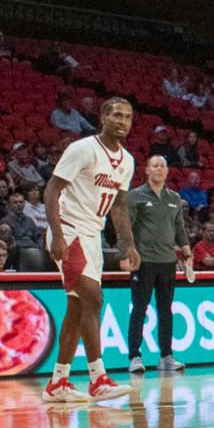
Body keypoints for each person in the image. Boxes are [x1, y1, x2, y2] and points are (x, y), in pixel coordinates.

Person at [42, 98, 140, 403]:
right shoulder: (83, 148)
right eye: (117, 115)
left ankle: (58, 383)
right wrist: (57, 236)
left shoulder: (127, 160)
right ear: (103, 117)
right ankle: (98, 378)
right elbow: (51, 191)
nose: (122, 121)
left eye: (128, 117)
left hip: (92, 236)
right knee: (94, 298)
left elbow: (120, 206)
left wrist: (129, 244)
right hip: (69, 231)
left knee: (77, 310)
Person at [126, 155, 192, 375]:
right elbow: (125, 229)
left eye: (163, 166)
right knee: (139, 309)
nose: (159, 169)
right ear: (146, 170)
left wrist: (187, 252)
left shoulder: (174, 197)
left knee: (166, 311)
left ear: (167, 171)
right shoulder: (135, 196)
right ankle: (135, 356)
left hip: (168, 263)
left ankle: (166, 356)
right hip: (143, 262)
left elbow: (179, 228)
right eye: (155, 166)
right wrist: (126, 254)